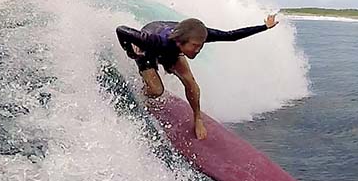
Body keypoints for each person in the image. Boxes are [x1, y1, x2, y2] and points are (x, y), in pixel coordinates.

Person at [116, 14, 279, 140]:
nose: (198, 49)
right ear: (181, 42)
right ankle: (143, 94)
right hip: (149, 50)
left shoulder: (198, 35)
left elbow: (231, 36)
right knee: (157, 90)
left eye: (201, 45)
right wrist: (131, 51)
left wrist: (265, 26)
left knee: (191, 83)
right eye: (195, 46)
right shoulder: (153, 41)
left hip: (172, 44)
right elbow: (121, 29)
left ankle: (198, 118)